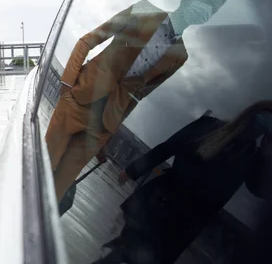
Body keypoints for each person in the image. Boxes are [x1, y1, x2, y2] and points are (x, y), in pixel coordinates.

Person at [48, 0, 228, 213]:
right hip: (78, 100)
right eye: (205, 5)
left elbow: (138, 96)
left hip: (103, 125)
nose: (206, 13)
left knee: (58, 189)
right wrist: (66, 85)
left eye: (212, 12)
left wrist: (107, 135)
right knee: (42, 166)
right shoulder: (143, 10)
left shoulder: (180, 56)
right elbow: (88, 41)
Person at [94, 101, 272, 264]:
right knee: (130, 253)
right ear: (253, 114)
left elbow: (258, 189)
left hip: (184, 220)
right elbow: (170, 146)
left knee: (132, 254)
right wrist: (132, 171)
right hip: (161, 204)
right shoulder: (209, 126)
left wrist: (266, 154)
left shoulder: (253, 158)